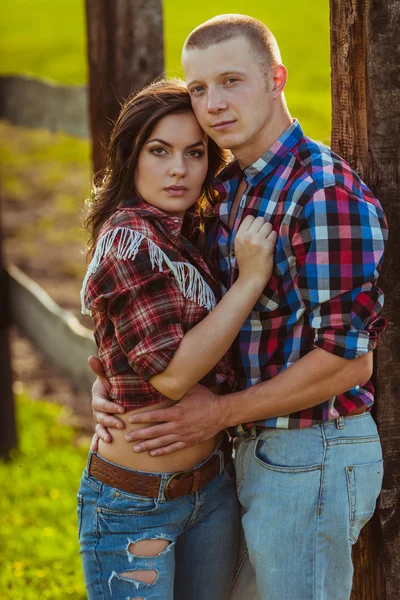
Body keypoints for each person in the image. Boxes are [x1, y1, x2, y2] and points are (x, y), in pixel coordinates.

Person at [90, 15, 388, 600]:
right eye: (199, 88)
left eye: (231, 81)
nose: (214, 104)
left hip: (312, 452)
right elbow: (161, 315)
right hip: (247, 455)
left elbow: (347, 362)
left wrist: (219, 413)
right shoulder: (227, 185)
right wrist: (110, 377)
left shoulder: (321, 193)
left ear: (275, 78)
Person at [78, 77, 277, 600]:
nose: (178, 170)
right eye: (159, 150)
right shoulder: (129, 239)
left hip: (210, 490)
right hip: (135, 502)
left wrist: (103, 377)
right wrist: (251, 280)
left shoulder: (187, 230)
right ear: (131, 156)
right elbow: (172, 375)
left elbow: (123, 344)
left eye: (194, 153)